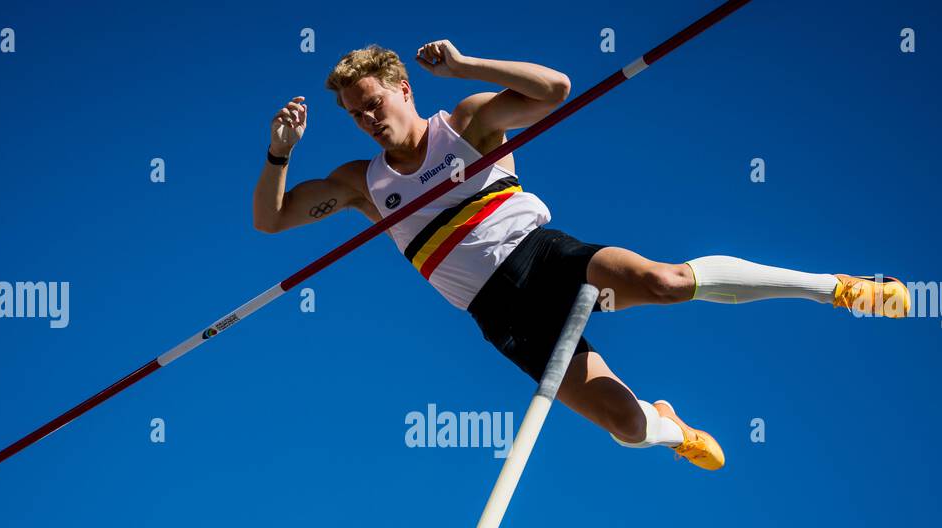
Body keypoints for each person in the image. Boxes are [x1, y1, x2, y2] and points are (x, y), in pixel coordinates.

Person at [252, 40, 909, 471]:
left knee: (667, 281)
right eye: (355, 115)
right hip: (501, 316)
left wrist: (464, 67)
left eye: (372, 103)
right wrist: (280, 152)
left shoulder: (469, 122)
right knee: (626, 425)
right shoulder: (361, 185)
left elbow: (554, 90)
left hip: (544, 259)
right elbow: (272, 221)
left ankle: (838, 288)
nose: (368, 120)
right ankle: (673, 429)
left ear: (401, 87)